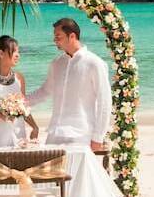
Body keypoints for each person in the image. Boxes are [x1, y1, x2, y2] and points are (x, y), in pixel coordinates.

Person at [26, 17, 111, 150]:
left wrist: (98, 137)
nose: (55, 41)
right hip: (54, 134)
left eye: (58, 37)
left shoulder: (95, 63)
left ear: (72, 36)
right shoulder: (56, 63)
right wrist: (20, 102)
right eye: (54, 37)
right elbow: (45, 91)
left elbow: (104, 101)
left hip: (80, 135)